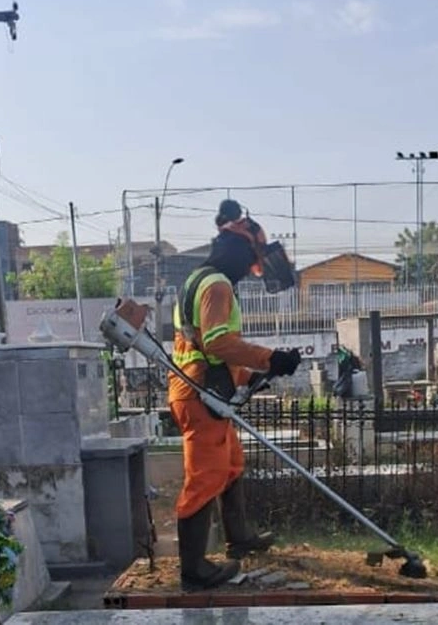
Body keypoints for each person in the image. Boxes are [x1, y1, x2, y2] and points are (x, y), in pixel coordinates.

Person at [168, 199, 301, 591]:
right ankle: (194, 570)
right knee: (205, 477)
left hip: (207, 387)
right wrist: (269, 358)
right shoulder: (217, 285)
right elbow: (217, 342)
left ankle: (239, 537)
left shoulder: (198, 279)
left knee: (230, 464)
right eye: (252, 262)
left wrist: (254, 372)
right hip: (200, 393)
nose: (250, 270)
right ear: (242, 252)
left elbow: (206, 347)